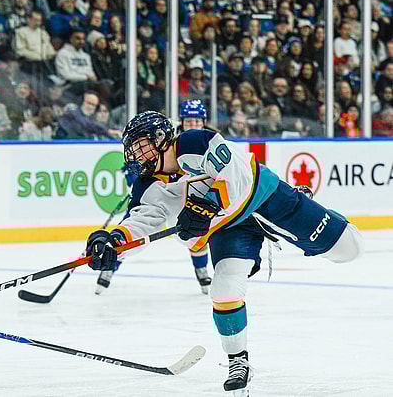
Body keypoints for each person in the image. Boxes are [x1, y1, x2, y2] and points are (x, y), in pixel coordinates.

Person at [85, 111, 363, 395]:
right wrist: (113, 243)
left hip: (264, 197)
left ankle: (317, 210)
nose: (135, 156)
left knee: (349, 249)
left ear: (160, 138)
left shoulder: (194, 142)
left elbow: (237, 175)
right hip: (228, 229)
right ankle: (238, 361)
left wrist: (209, 202)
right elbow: (141, 221)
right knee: (224, 289)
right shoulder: (147, 185)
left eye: (140, 146)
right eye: (131, 150)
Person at [94, 99, 216, 295]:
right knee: (131, 224)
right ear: (182, 121)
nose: (193, 124)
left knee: (196, 230)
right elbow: (139, 155)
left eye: (197, 120)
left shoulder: (206, 141)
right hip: (158, 193)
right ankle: (111, 265)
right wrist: (137, 176)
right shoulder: (164, 135)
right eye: (189, 120)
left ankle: (202, 272)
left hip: (189, 194)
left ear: (204, 121)